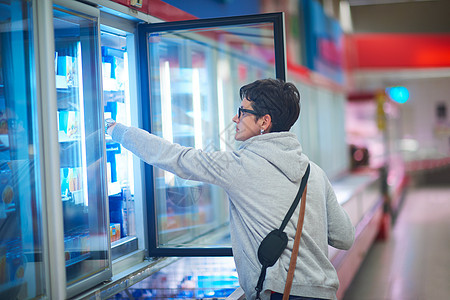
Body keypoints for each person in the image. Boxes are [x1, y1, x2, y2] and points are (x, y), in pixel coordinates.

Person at [106, 78, 355, 300]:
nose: (235, 118)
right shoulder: (315, 172)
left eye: (242, 111)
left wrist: (116, 130)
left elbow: (175, 157)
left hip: (281, 293)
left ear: (264, 122)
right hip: (324, 292)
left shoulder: (239, 167)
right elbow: (344, 236)